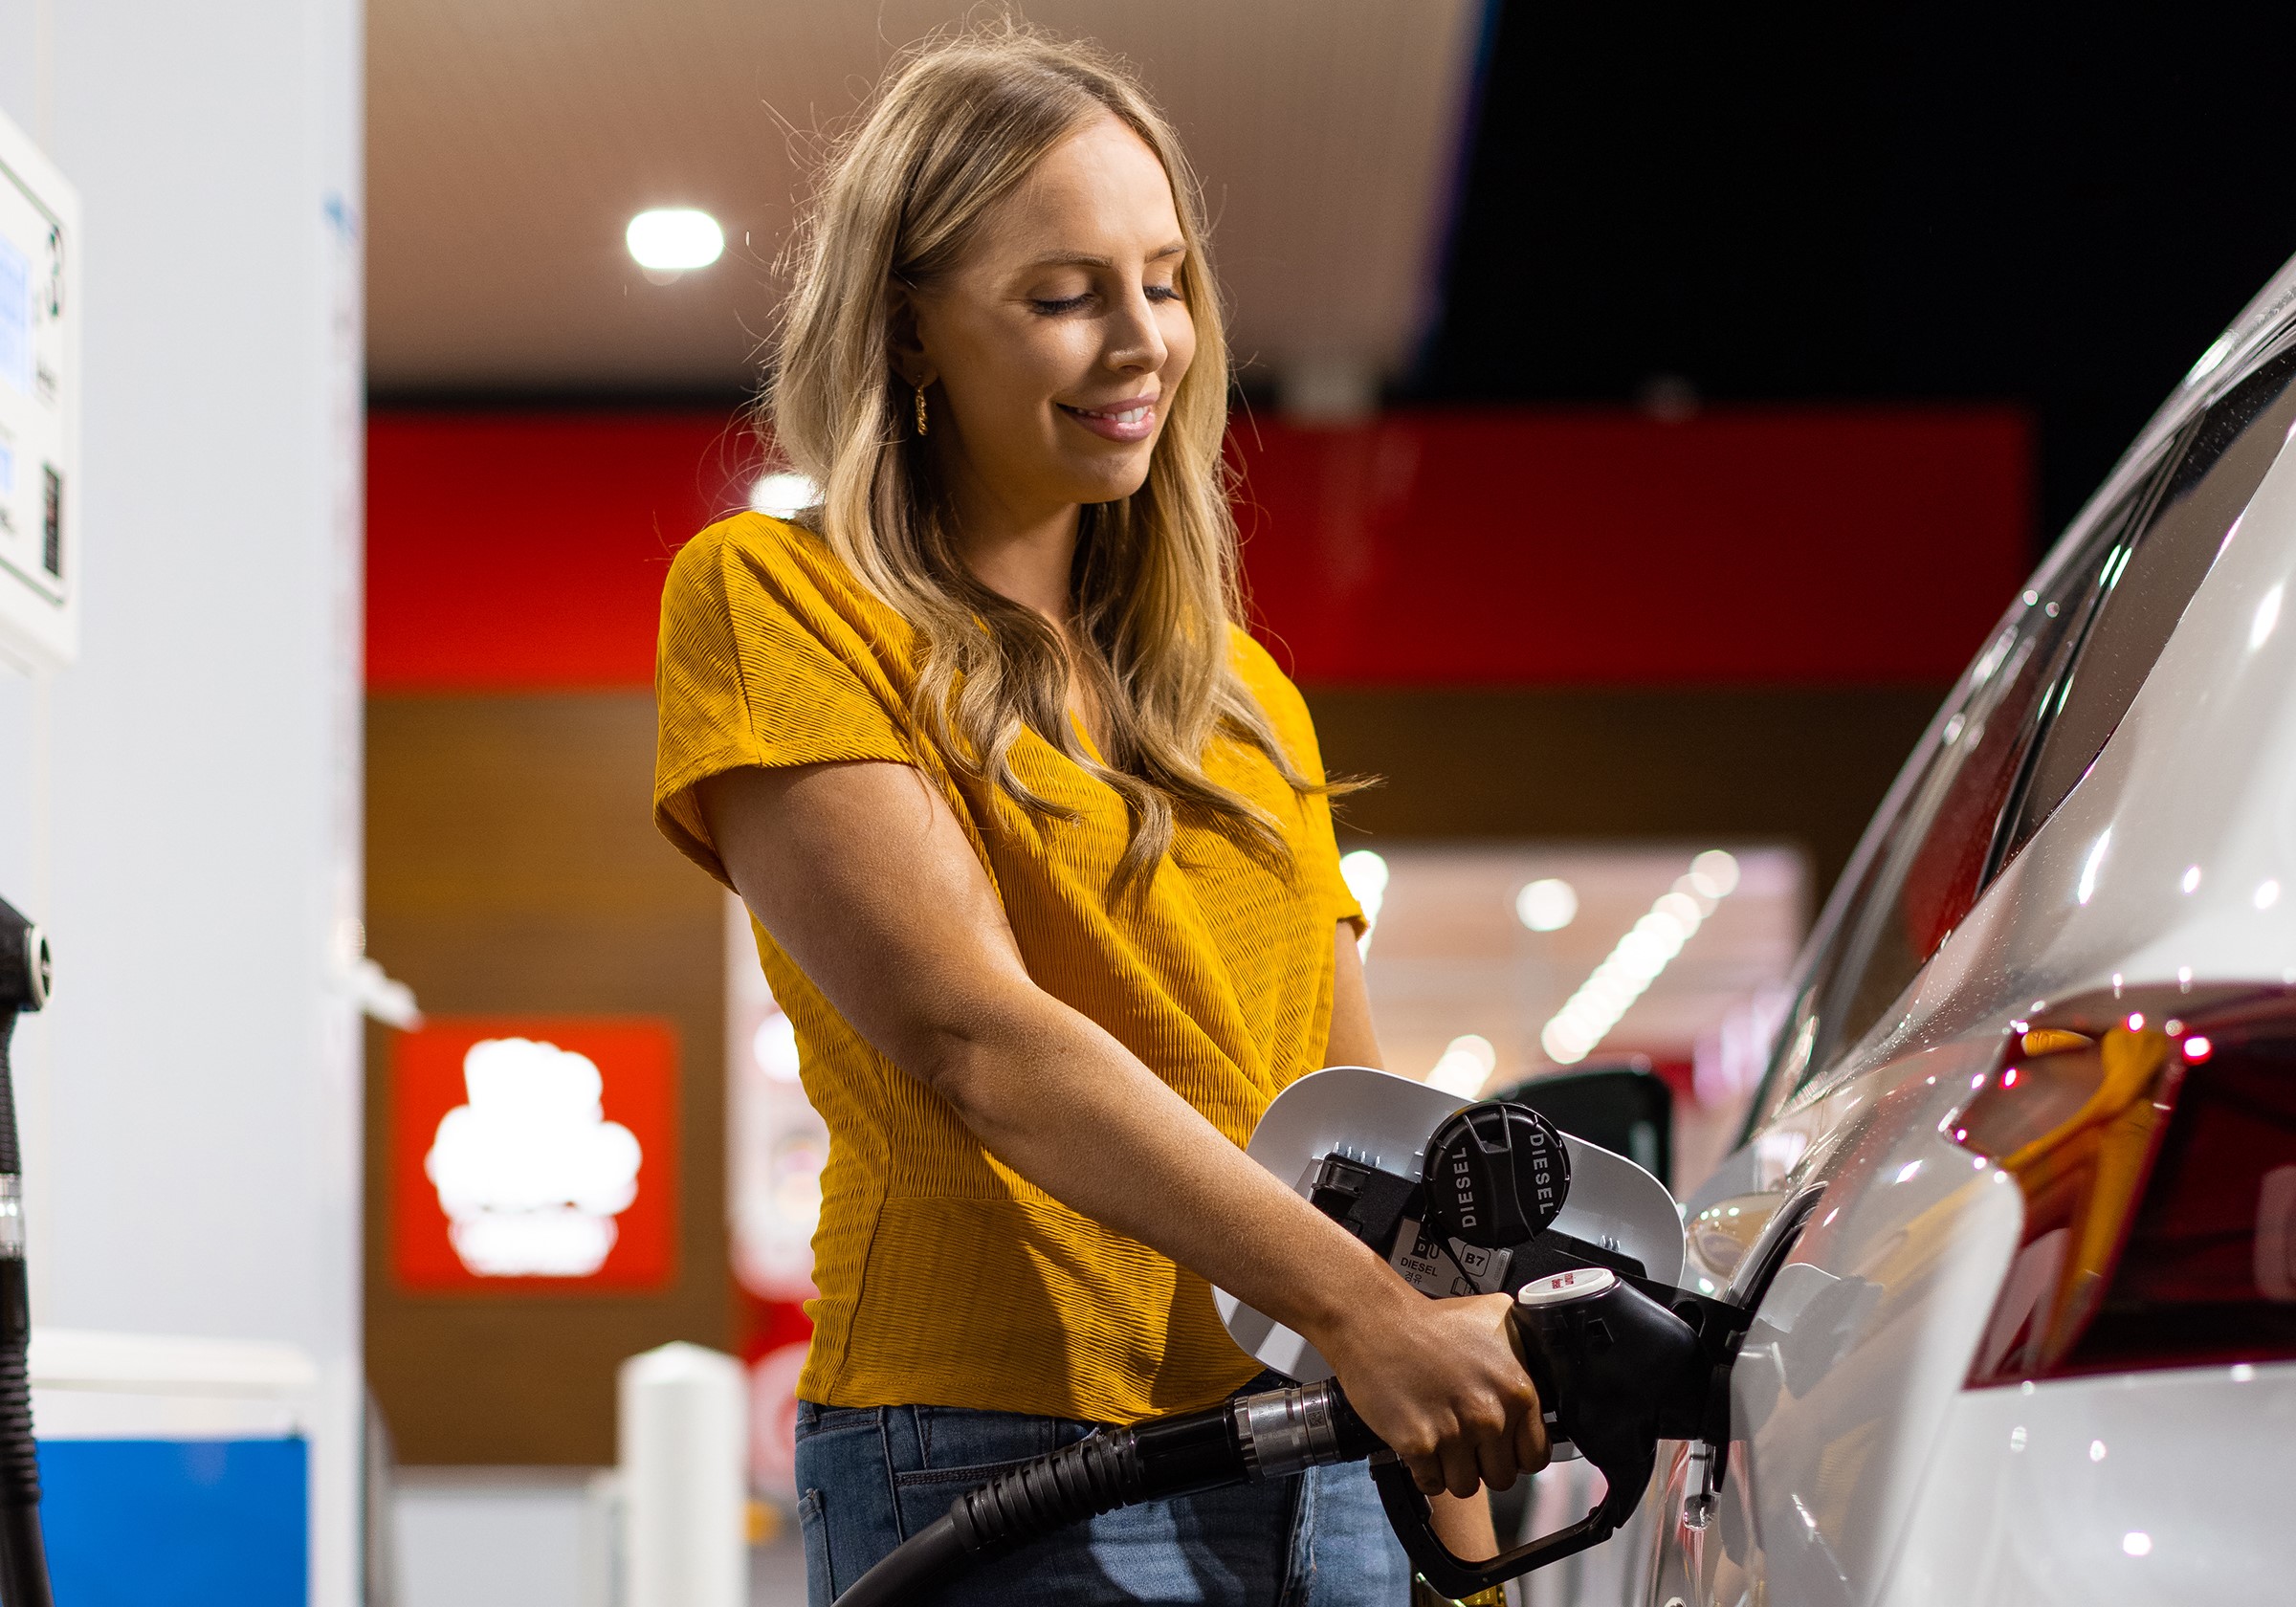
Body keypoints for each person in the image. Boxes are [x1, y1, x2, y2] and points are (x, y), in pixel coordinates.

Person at [652, 22, 1543, 1605]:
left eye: (1166, 280)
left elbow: (1356, 1117)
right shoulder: (781, 600)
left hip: (1328, 1452)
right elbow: (974, 1037)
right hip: (1000, 1448)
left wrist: (1466, 1558)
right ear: (911, 330)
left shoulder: (1243, 692)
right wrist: (1365, 1318)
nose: (1143, 339)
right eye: (1063, 296)